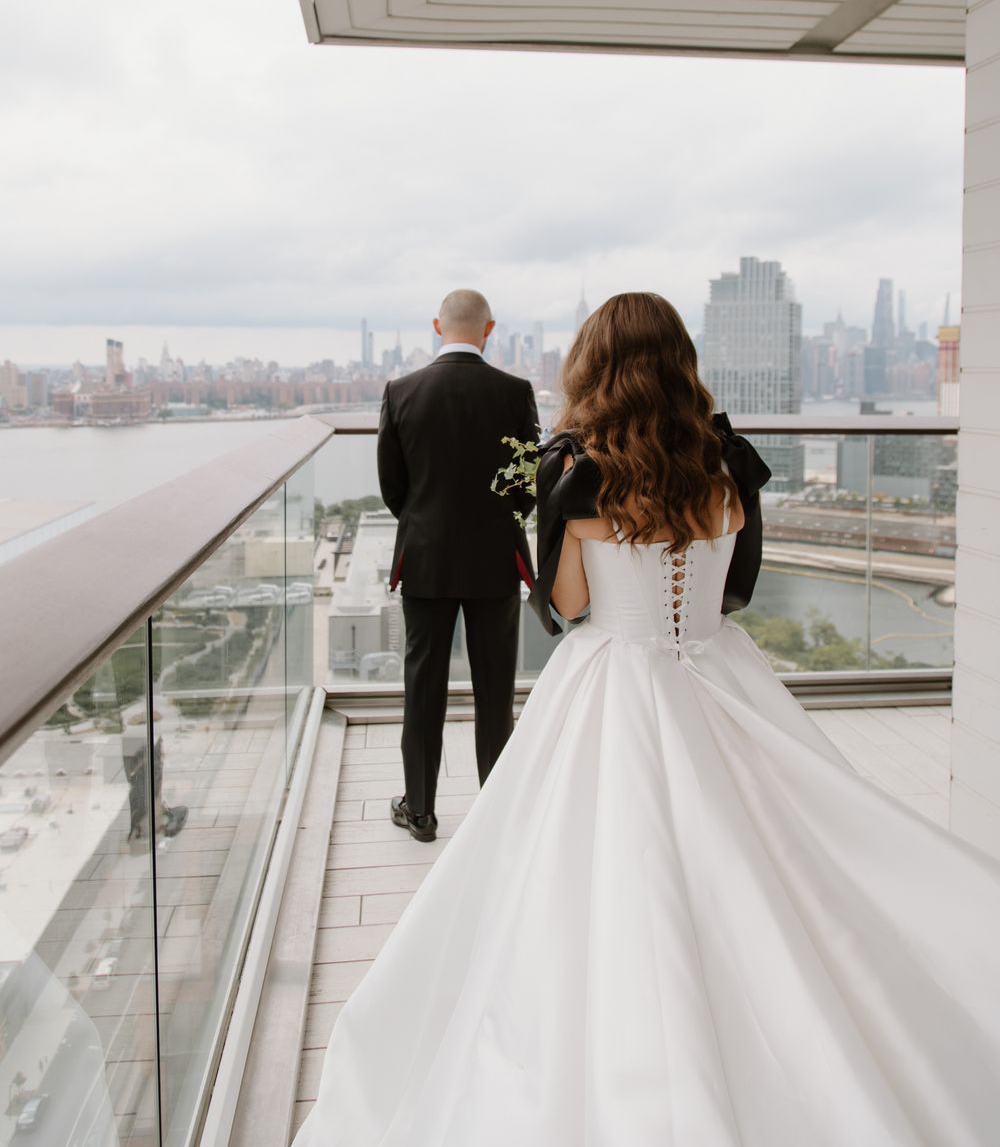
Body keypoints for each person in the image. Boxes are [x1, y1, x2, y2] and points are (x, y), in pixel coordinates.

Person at [292, 292, 1000, 1147]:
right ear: (683, 364)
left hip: (610, 683)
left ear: (593, 368)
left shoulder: (575, 475)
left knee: (578, 876)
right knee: (770, 866)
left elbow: (569, 607)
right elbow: (735, 590)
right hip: (720, 676)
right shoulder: (730, 465)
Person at [376, 288, 539, 840]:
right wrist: (496, 522)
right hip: (495, 557)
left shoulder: (401, 391)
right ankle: (495, 812)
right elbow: (525, 485)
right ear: (489, 329)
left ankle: (419, 810)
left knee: (423, 685)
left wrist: (425, 523)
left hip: (425, 559)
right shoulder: (515, 392)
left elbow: (392, 487)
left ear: (436, 326)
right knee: (496, 689)